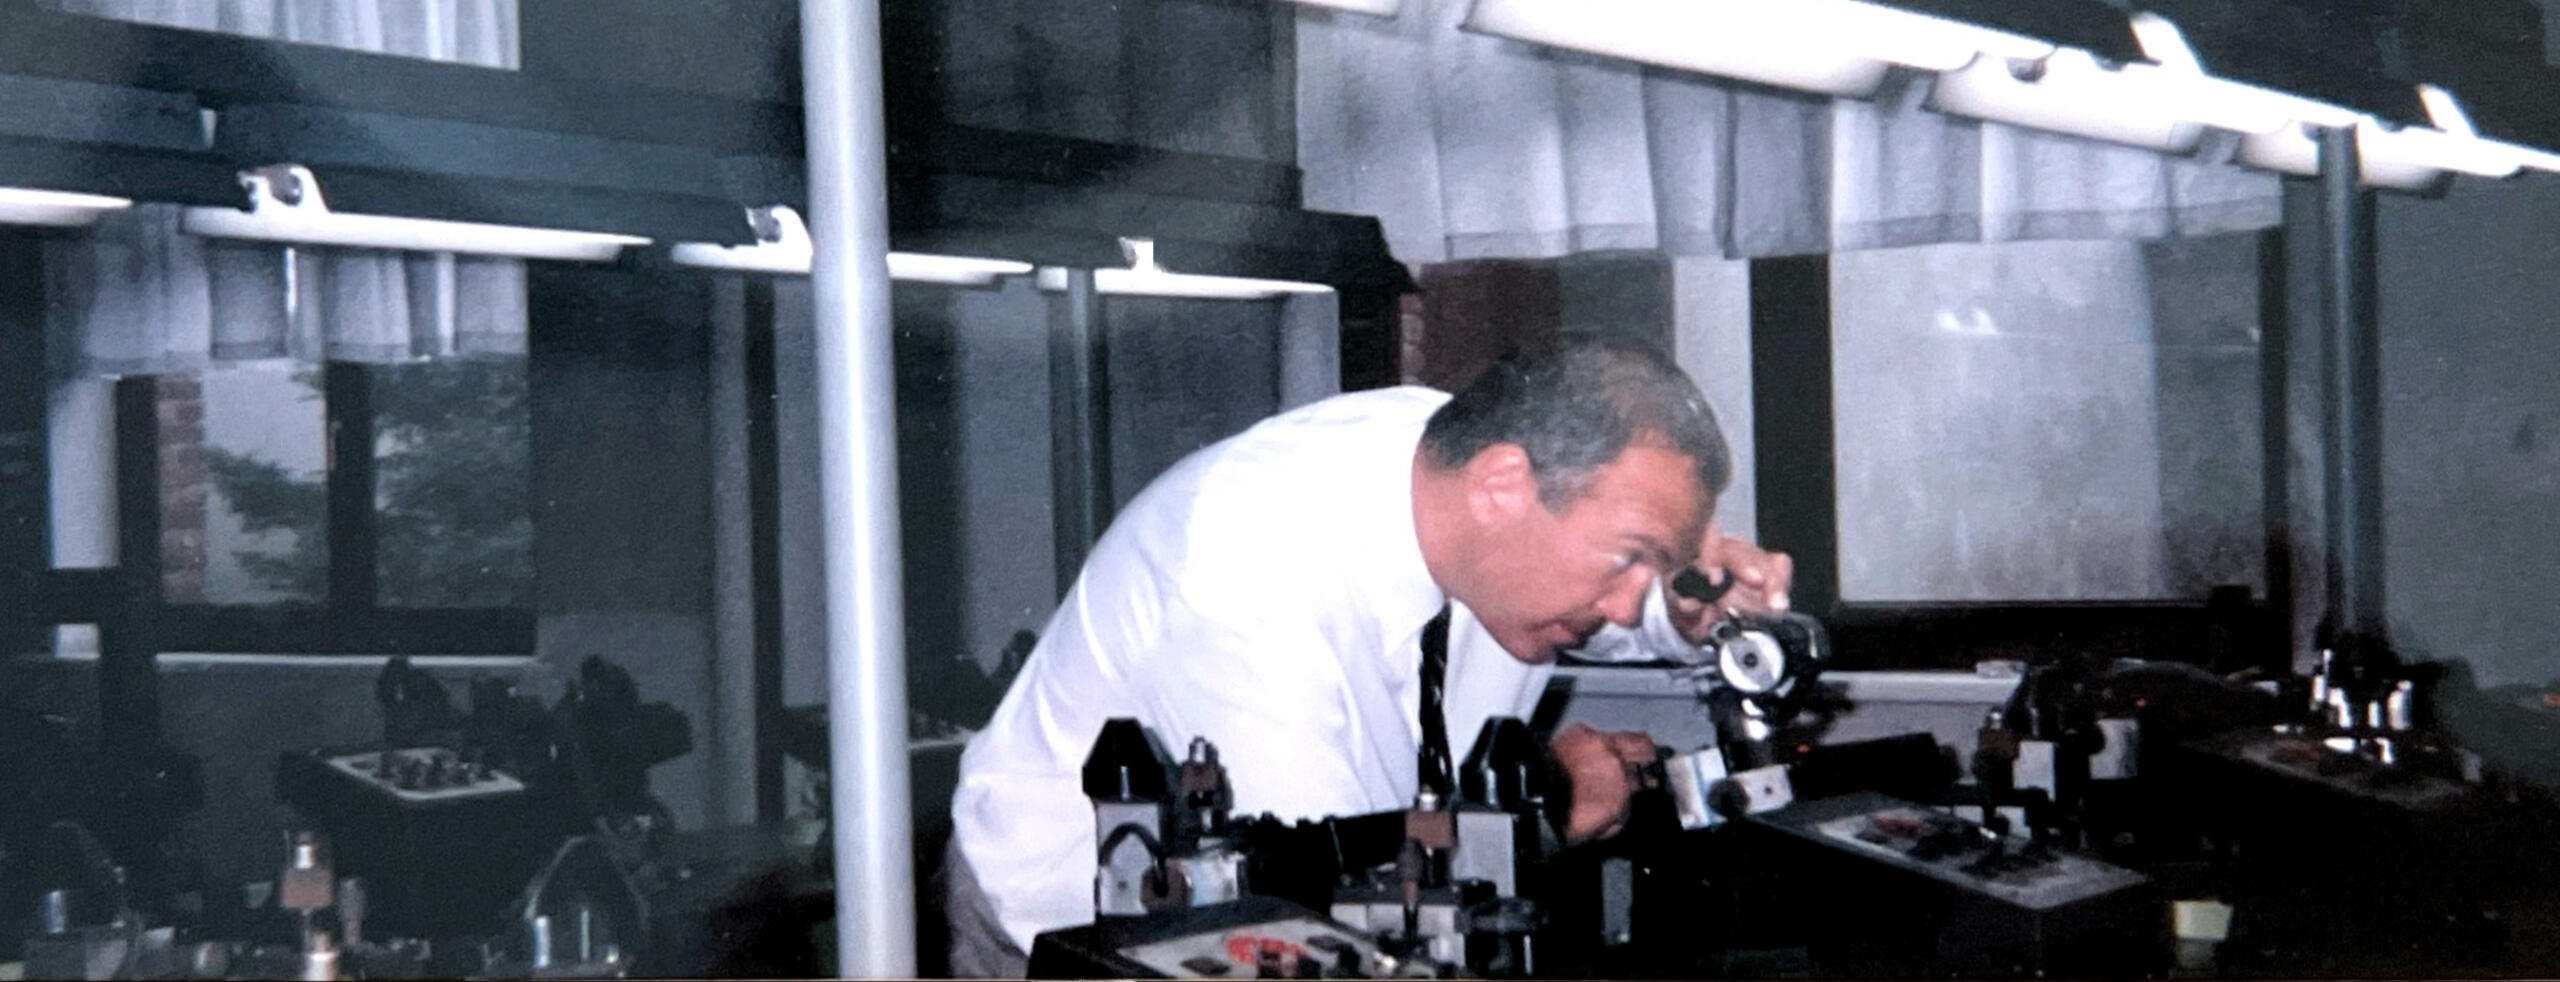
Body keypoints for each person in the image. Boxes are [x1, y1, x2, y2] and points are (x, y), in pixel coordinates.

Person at [944, 337, 1794, 976]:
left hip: (1327, 870)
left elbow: (1571, 590)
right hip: (1084, 921)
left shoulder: (1458, 471)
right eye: (1630, 559)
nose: (1624, 599)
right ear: (1503, 488)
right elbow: (1333, 884)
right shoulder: (1244, 570)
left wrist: (1675, 617)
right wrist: (1547, 802)